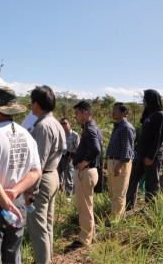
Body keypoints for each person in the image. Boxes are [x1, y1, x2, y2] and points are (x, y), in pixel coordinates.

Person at [0, 86, 42, 264]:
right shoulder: (27, 135)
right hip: (17, 200)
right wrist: (13, 193)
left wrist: (4, 200)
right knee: (13, 252)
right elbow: (36, 172)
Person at [25, 85, 67, 263]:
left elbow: (39, 163)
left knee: (38, 228)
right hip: (53, 176)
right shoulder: (56, 123)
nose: (31, 105)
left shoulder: (42, 126)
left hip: (42, 181)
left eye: (31, 102)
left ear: (37, 104)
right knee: (47, 225)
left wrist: (30, 190)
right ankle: (47, 259)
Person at [66, 101, 102, 250]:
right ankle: (90, 234)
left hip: (86, 172)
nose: (76, 117)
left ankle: (84, 238)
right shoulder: (90, 128)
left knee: (84, 206)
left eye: (77, 113)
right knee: (87, 205)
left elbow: (96, 148)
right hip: (89, 172)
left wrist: (84, 162)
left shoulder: (90, 129)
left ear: (85, 113)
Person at [126, 90, 163, 210]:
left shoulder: (160, 116)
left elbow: (158, 139)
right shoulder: (149, 115)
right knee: (133, 179)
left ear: (151, 100)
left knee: (151, 184)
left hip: (151, 157)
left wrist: (151, 156)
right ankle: (128, 205)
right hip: (140, 154)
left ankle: (151, 210)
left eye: (145, 99)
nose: (143, 102)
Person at [105, 103, 136, 223]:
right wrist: (107, 161)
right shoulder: (118, 126)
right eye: (113, 109)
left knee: (119, 193)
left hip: (120, 162)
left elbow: (127, 149)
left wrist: (119, 166)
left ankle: (114, 221)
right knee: (113, 192)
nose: (113, 112)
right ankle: (118, 218)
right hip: (113, 161)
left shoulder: (126, 127)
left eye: (115, 110)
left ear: (123, 113)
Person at [57, 118, 80, 201]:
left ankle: (68, 196)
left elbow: (78, 148)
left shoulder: (75, 135)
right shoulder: (59, 134)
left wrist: (71, 154)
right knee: (58, 177)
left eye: (64, 123)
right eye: (61, 124)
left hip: (68, 159)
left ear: (69, 124)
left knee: (69, 178)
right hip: (59, 157)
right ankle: (59, 195)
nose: (63, 125)